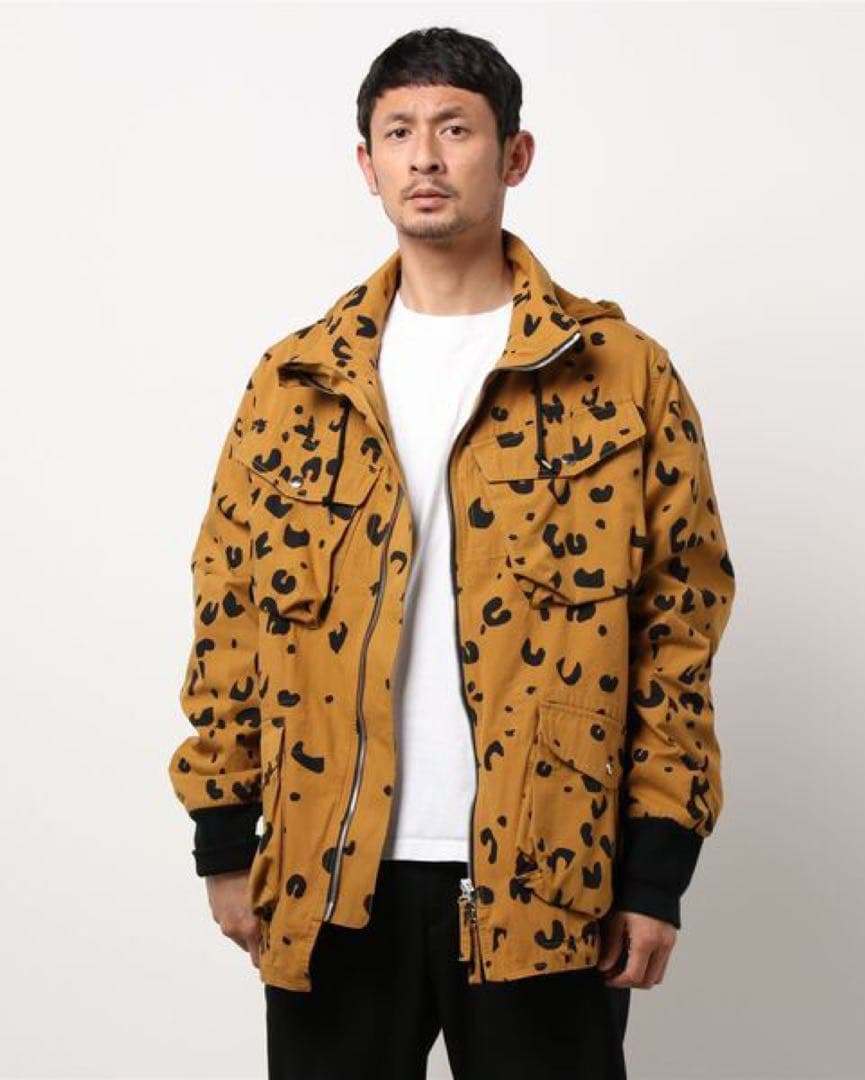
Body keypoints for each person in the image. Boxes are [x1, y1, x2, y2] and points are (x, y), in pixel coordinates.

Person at [167, 26, 737, 1080]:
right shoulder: (296, 381)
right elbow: (229, 613)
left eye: (455, 129)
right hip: (328, 872)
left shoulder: (620, 374)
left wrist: (656, 872)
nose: (425, 156)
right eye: (399, 132)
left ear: (514, 155)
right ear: (367, 163)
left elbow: (678, 629)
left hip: (551, 875)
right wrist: (224, 833)